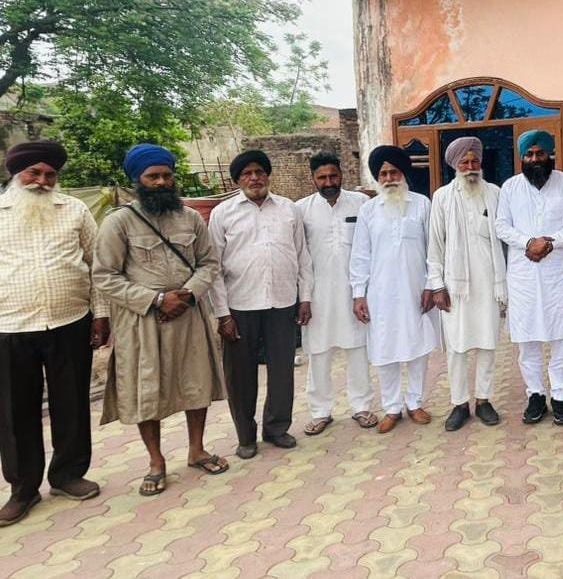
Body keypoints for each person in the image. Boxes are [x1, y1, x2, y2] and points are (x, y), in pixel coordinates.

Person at [94, 144, 229, 497]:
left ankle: (197, 450)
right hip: (143, 322)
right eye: (152, 176)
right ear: (137, 180)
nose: (161, 182)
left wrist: (188, 294)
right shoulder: (119, 222)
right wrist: (155, 300)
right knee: (146, 391)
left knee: (197, 383)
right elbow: (104, 275)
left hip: (188, 315)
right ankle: (156, 462)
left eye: (167, 175)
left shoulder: (191, 218)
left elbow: (209, 263)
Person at [0, 141, 107, 526]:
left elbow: (97, 265)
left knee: (72, 402)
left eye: (50, 174)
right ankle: (23, 488)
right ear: (17, 174)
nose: (42, 181)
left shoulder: (75, 210)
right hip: (10, 326)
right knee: (15, 412)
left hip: (70, 321)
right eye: (34, 173)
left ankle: (67, 475)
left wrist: (101, 315)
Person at [209, 150, 313, 459]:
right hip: (240, 305)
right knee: (240, 376)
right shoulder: (222, 213)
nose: (254, 178)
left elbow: (302, 256)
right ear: (237, 180)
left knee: (282, 370)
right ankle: (246, 436)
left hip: (282, 302)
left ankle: (277, 428)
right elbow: (213, 267)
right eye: (247, 174)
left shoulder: (288, 209)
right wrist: (222, 314)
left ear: (268, 175)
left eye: (259, 172)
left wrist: (305, 297)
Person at [350, 145, 440, 434]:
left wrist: (431, 285)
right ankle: (391, 407)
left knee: (417, 347)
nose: (389, 178)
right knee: (384, 349)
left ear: (403, 174)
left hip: (416, 290)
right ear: (377, 178)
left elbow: (433, 249)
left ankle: (415, 403)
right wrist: (358, 293)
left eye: (394, 172)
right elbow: (360, 255)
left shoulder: (422, 204)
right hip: (380, 294)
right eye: (383, 174)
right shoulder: (368, 210)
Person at [495, 130, 563, 425]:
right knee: (527, 339)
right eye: (529, 155)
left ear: (549, 154)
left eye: (539, 153)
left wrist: (550, 243)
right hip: (524, 275)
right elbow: (501, 226)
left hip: (559, 273)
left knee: (561, 338)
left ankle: (560, 396)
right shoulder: (510, 187)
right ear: (521, 158)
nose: (534, 159)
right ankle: (535, 395)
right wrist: (529, 242)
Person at [295, 153, 377, 435]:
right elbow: (300, 257)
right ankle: (320, 411)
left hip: (355, 292)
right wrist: (304, 298)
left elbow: (369, 249)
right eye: (322, 177)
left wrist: (363, 292)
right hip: (317, 295)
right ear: (313, 179)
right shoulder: (301, 210)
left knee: (358, 349)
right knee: (318, 353)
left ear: (341, 175)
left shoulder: (361, 203)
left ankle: (362, 406)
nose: (328, 182)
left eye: (333, 176)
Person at [428, 137, 506, 431]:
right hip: (455, 286)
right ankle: (459, 403)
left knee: (487, 343)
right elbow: (435, 245)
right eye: (464, 162)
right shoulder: (442, 197)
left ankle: (484, 400)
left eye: (474, 161)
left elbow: (504, 239)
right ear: (455, 166)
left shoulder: (495, 193)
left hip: (489, 283)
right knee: (457, 348)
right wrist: (437, 286)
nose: (470, 167)